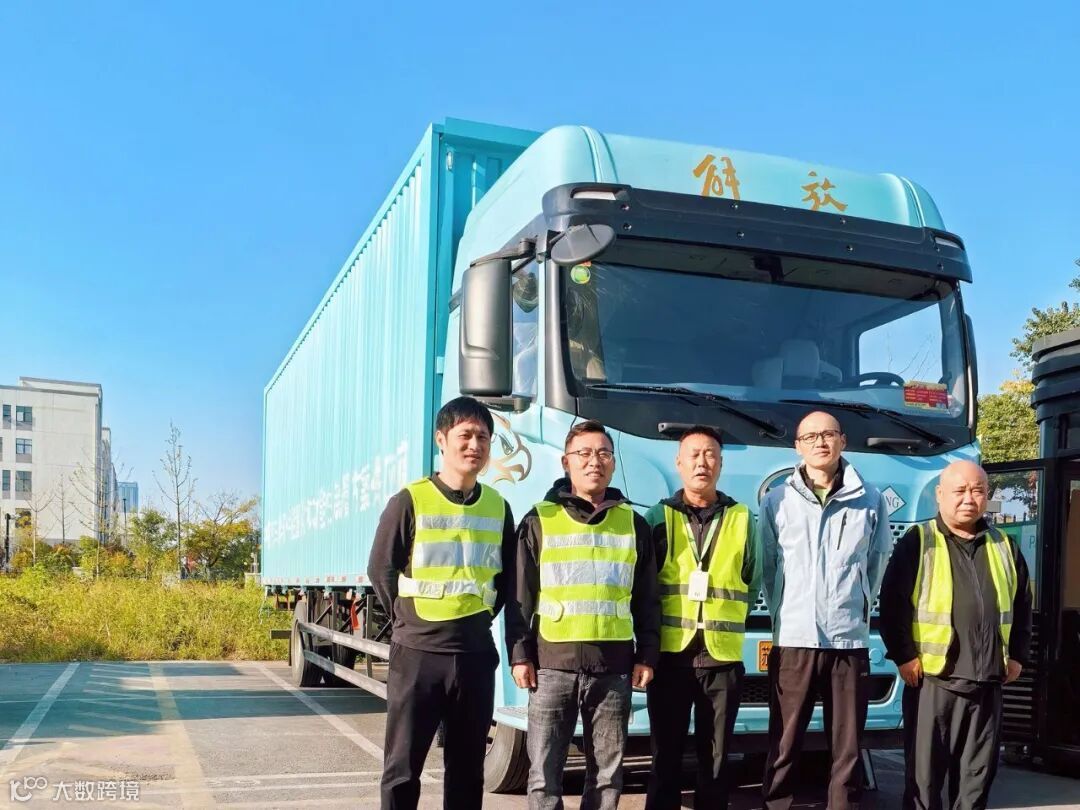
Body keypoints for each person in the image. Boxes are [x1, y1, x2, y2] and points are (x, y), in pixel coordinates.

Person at [367, 396, 516, 810]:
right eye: (465, 435)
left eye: (483, 437)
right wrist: (409, 621)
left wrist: (479, 618)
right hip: (418, 653)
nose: (475, 445)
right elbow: (381, 569)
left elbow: (505, 579)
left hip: (474, 653)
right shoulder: (409, 501)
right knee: (402, 768)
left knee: (468, 769)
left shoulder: (498, 507)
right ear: (441, 439)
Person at [506, 419, 660, 810]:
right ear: (566, 462)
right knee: (544, 775)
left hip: (614, 667)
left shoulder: (633, 524)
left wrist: (647, 654)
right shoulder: (539, 520)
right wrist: (520, 654)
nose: (595, 461)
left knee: (607, 776)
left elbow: (646, 598)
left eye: (604, 453)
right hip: (551, 666)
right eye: (585, 453)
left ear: (613, 463)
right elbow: (520, 595)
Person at [879, 460, 1032, 810]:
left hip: (988, 682)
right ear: (940, 495)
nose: (969, 498)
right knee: (924, 782)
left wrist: (1018, 656)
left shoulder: (1004, 546)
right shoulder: (919, 542)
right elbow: (892, 604)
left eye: (977, 490)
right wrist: (904, 655)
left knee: (976, 781)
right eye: (960, 490)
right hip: (934, 682)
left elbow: (1022, 604)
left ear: (987, 496)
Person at [758, 410, 893, 810]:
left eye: (828, 434)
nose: (820, 442)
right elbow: (768, 567)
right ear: (797, 447)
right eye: (810, 436)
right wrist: (784, 614)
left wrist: (857, 605)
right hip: (794, 639)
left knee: (846, 745)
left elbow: (877, 562)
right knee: (784, 740)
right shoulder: (777, 500)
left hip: (848, 639)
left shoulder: (870, 499)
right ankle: (776, 804)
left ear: (842, 441)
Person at [643, 425, 759, 810]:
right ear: (679, 463)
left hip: (721, 658)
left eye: (710, 455)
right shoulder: (657, 517)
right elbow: (644, 586)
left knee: (717, 759)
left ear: (721, 464)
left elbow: (754, 578)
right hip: (670, 657)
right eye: (693, 455)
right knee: (665, 757)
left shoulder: (742, 518)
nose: (702, 462)